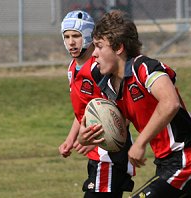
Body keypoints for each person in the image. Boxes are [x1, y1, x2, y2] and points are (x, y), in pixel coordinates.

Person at [78, 10, 191, 198]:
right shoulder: (108, 82)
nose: (94, 53)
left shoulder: (144, 68)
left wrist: (140, 143)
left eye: (99, 46)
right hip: (166, 164)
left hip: (187, 158)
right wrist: (88, 137)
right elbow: (118, 128)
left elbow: (170, 103)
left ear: (118, 48)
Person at [58, 10, 135, 198]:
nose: (71, 42)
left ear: (89, 36)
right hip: (96, 154)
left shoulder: (98, 68)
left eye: (76, 36)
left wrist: (100, 137)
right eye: (66, 36)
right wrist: (71, 139)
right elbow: (86, 112)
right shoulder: (72, 68)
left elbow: (120, 111)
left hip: (108, 153)